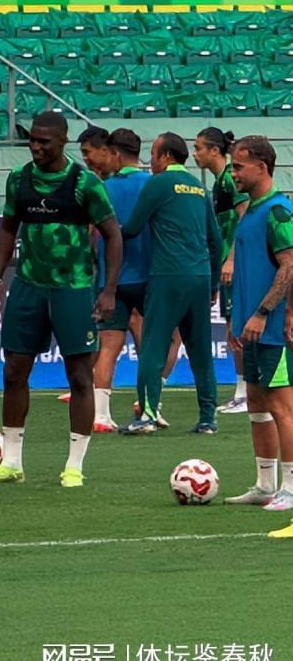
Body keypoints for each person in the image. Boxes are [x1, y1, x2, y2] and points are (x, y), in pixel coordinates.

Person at [0, 112, 121, 489]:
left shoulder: (84, 183)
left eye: (44, 141)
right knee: (14, 371)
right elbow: (7, 228)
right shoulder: (18, 179)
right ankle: (11, 463)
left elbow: (113, 234)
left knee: (79, 376)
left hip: (73, 288)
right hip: (29, 286)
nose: (36, 147)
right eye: (32, 140)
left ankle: (74, 466)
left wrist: (108, 290)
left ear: (63, 141)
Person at [120, 133, 222, 434]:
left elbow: (132, 227)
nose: (150, 161)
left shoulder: (159, 183)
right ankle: (208, 419)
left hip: (168, 275)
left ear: (165, 157)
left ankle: (148, 416)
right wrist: (214, 284)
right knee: (200, 351)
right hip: (200, 277)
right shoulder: (199, 187)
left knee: (153, 346)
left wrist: (107, 230)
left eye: (153, 154)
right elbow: (215, 241)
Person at [211, 138, 293, 514]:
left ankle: (290, 487)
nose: (233, 174)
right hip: (251, 328)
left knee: (282, 407)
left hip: (272, 329)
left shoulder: (278, 211)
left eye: (239, 167)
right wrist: (240, 321)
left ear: (262, 167)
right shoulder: (251, 211)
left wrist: (264, 313)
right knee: (257, 404)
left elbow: (289, 265)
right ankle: (265, 485)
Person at [77, 128, 152, 432]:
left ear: (115, 153)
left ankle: (100, 415)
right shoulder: (152, 185)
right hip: (147, 274)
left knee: (109, 345)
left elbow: (90, 233)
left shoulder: (102, 187)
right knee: (149, 345)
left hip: (112, 279)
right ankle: (149, 409)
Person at [195, 127, 250, 415]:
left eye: (199, 148)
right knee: (232, 327)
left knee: (238, 327)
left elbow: (245, 216)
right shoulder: (220, 182)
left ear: (214, 150)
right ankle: (242, 391)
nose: (195, 154)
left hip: (236, 267)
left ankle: (247, 392)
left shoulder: (230, 178)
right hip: (225, 268)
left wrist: (231, 260)